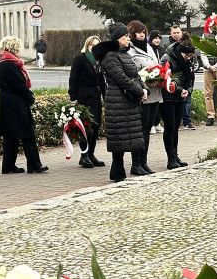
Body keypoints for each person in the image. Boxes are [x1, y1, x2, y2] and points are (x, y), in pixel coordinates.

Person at [95, 23, 146, 182]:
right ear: (118, 38)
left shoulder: (124, 53)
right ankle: (119, 173)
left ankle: (116, 172)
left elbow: (135, 75)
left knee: (127, 136)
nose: (128, 38)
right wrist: (139, 91)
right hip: (117, 101)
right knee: (119, 138)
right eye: (125, 36)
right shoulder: (110, 56)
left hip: (128, 101)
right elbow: (121, 79)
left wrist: (144, 89)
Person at [0, 36, 47, 174]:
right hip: (15, 103)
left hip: (7, 103)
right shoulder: (10, 64)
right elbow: (19, 84)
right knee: (27, 134)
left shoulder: (3, 62)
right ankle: (34, 165)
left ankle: (8, 166)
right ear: (14, 48)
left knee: (11, 135)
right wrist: (30, 96)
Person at [127, 20, 161, 175]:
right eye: (138, 32)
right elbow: (132, 72)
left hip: (155, 92)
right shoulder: (130, 50)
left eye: (143, 32)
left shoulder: (149, 47)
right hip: (142, 94)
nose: (141, 35)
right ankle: (136, 163)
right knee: (140, 130)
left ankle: (144, 162)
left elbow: (157, 65)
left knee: (147, 130)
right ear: (132, 33)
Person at [67, 35, 105, 169]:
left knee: (95, 126)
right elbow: (73, 78)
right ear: (87, 46)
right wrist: (73, 97)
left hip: (95, 96)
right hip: (84, 95)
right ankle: (84, 155)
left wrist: (106, 97)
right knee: (85, 127)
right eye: (92, 45)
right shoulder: (80, 59)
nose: (95, 48)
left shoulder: (99, 61)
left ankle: (91, 153)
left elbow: (101, 81)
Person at [158, 37, 196, 169]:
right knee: (169, 127)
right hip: (168, 97)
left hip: (181, 97)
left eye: (190, 55)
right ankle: (170, 157)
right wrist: (179, 90)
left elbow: (191, 78)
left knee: (176, 127)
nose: (188, 58)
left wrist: (188, 91)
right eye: (186, 55)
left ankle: (175, 154)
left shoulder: (188, 60)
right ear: (180, 51)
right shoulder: (167, 58)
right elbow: (164, 79)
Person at [170, 25, 198, 130]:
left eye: (178, 32)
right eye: (174, 33)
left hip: (186, 84)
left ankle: (187, 121)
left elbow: (191, 75)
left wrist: (189, 89)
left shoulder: (189, 50)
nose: (176, 34)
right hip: (175, 87)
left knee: (187, 103)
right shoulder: (171, 51)